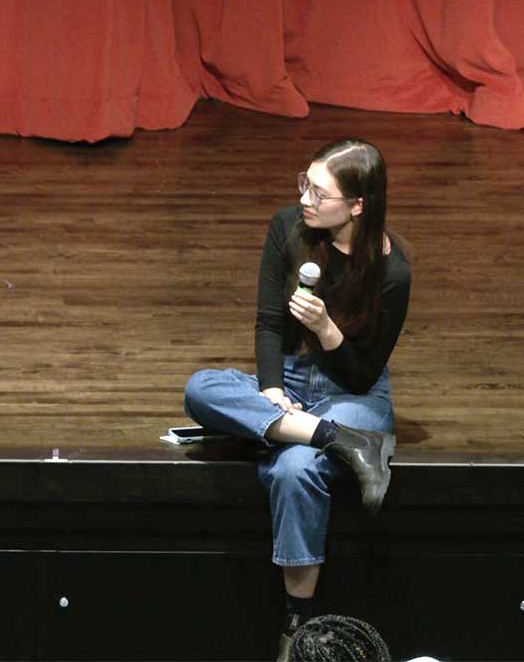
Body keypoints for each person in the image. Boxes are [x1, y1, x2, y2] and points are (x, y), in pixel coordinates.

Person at [183, 139, 411, 661]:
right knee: (202, 388)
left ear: (358, 205)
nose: (305, 198)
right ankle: (341, 441)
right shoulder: (286, 226)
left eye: (319, 192)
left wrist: (327, 329)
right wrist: (270, 389)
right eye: (304, 184)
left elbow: (361, 373)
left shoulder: (393, 272)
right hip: (287, 377)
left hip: (349, 391)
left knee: (293, 470)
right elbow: (267, 323)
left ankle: (296, 626)